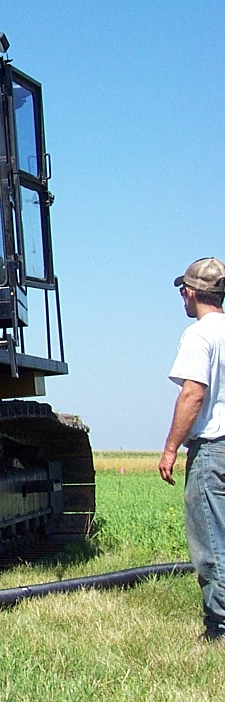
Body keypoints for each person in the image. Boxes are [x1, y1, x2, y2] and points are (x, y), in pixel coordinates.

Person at [159, 257, 225, 640]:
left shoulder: (200, 335)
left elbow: (193, 394)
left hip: (213, 451)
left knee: (211, 546)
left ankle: (219, 629)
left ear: (192, 292)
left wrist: (171, 449)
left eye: (183, 289)